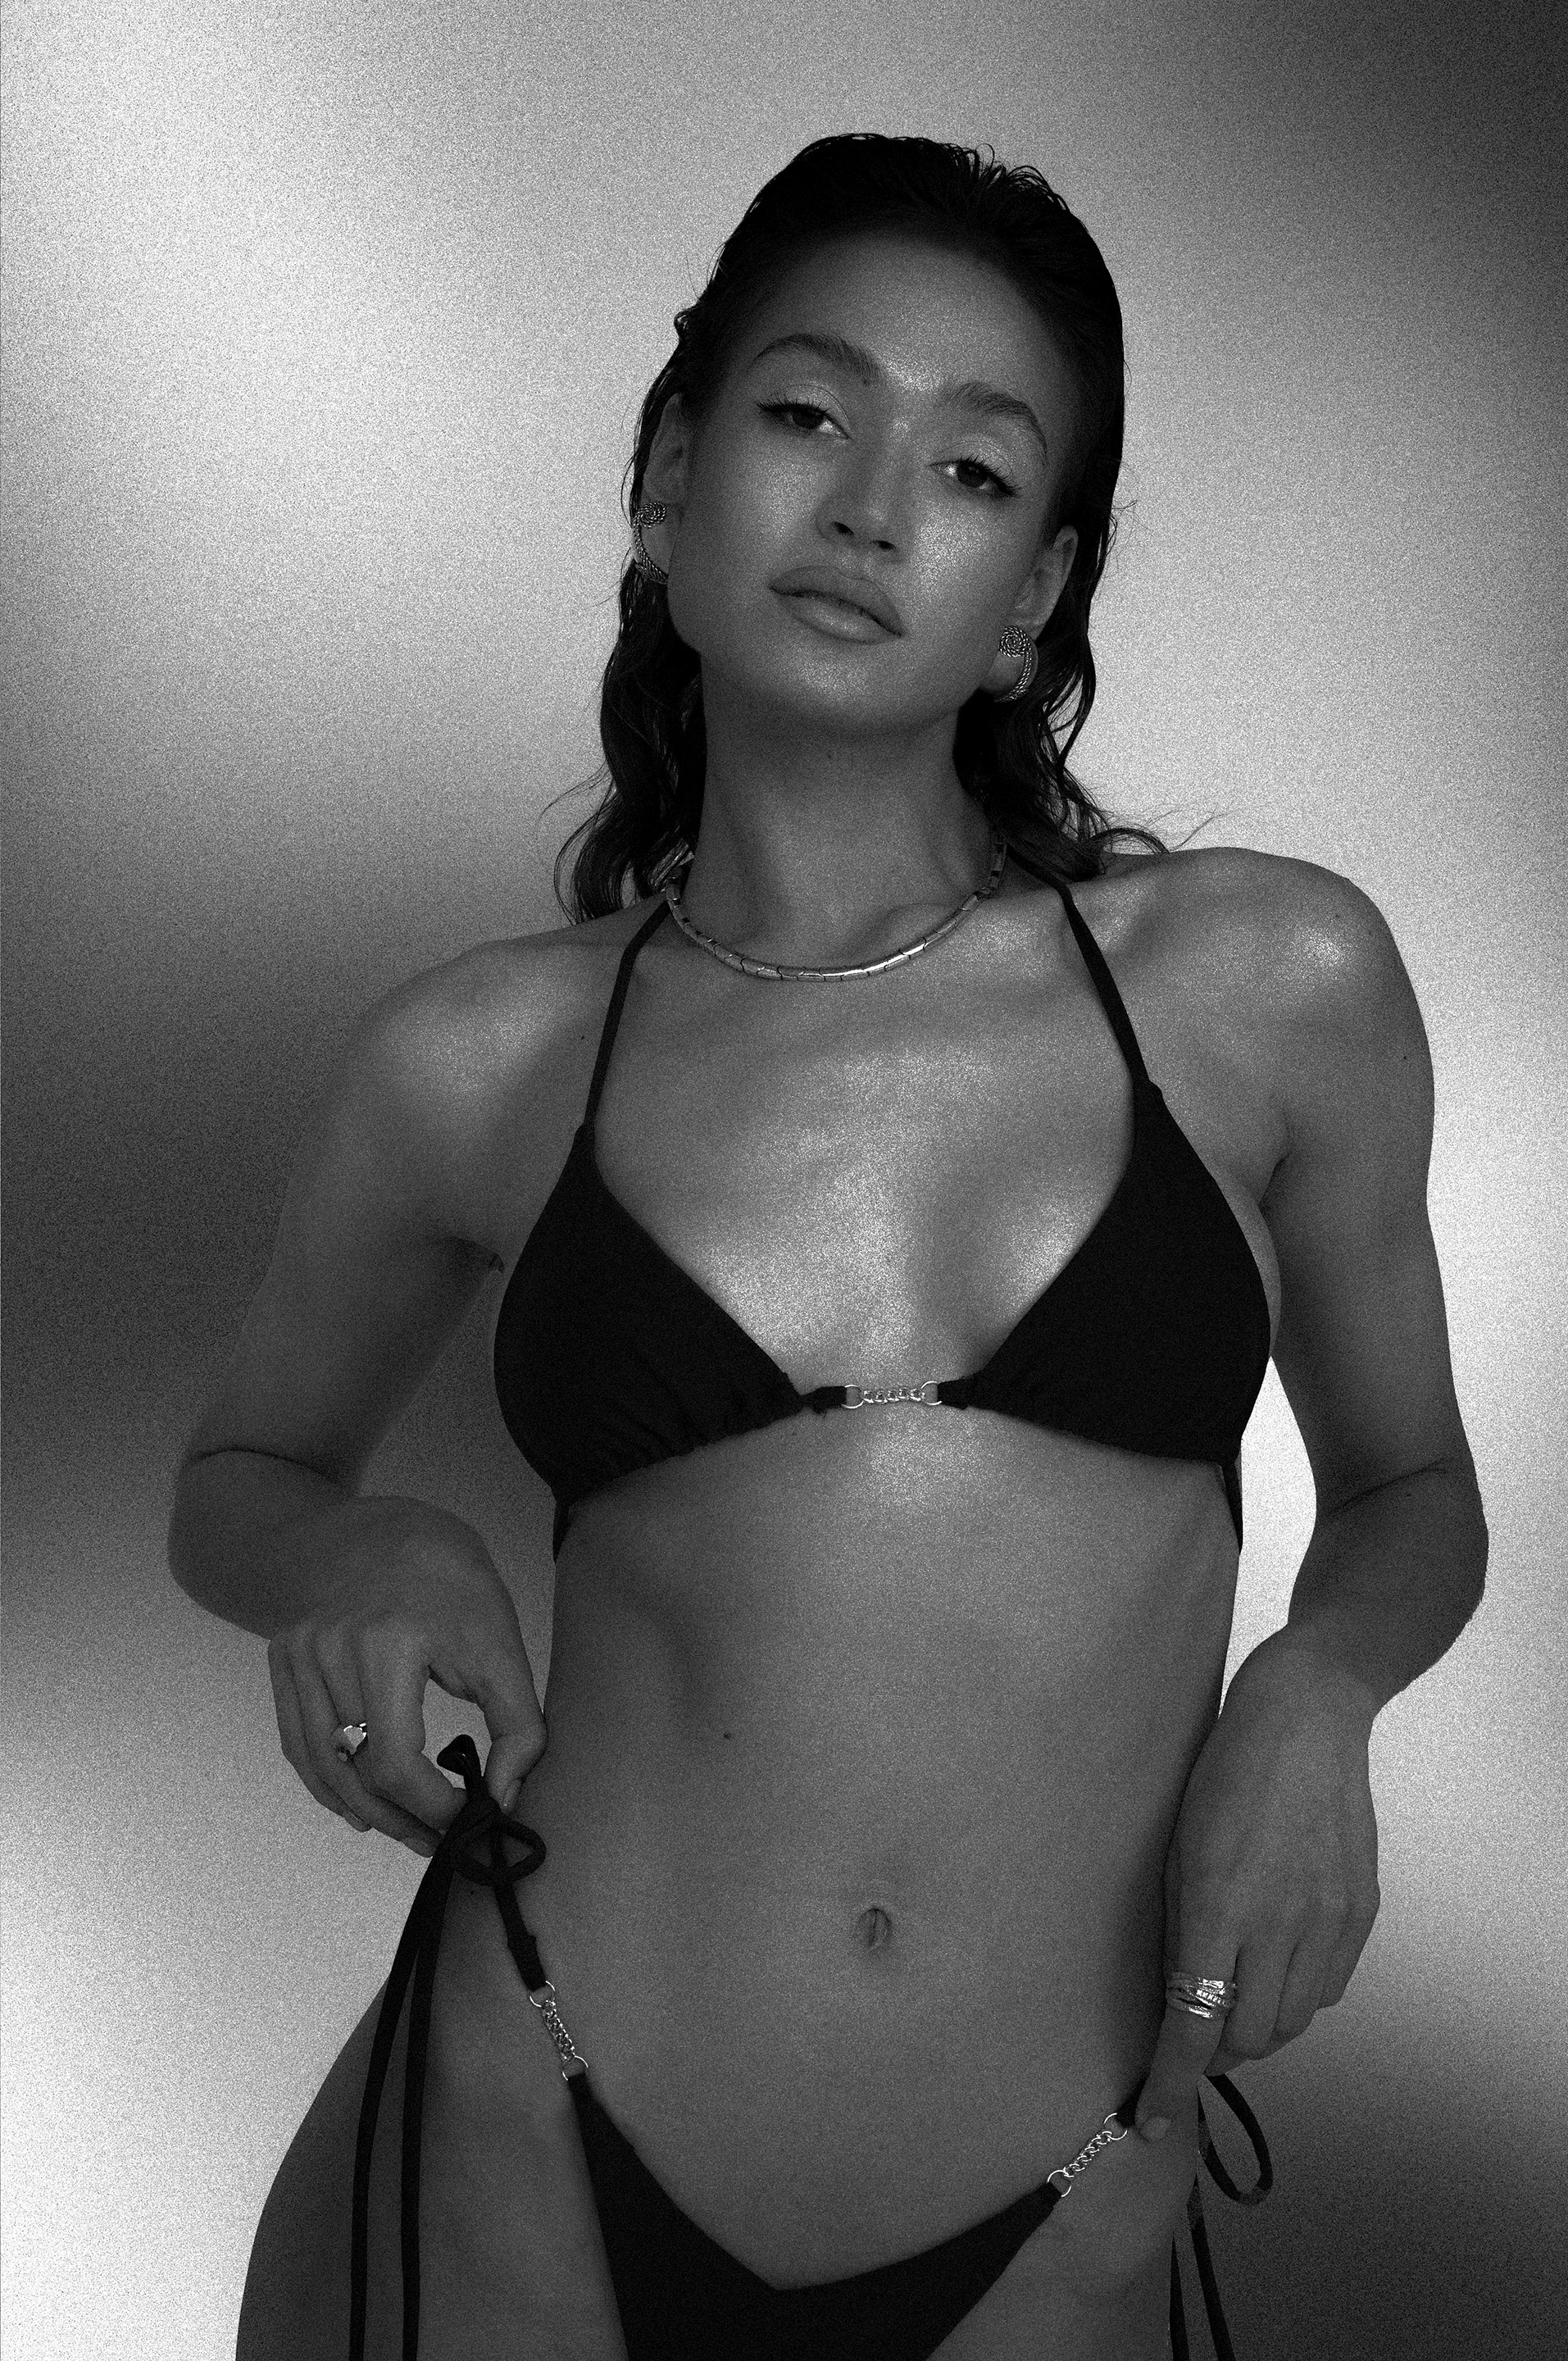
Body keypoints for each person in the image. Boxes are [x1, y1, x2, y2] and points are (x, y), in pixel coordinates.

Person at [169, 133, 1488, 2361]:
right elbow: (238, 1482)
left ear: (1038, 593)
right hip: (517, 2151)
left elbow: (1416, 1492)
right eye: (807, 416)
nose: (873, 510)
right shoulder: (479, 1061)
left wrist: (1319, 1686)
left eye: (971, 470)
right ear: (673, 475)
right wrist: (357, 1553)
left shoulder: (1268, 989)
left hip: (1058, 2209)